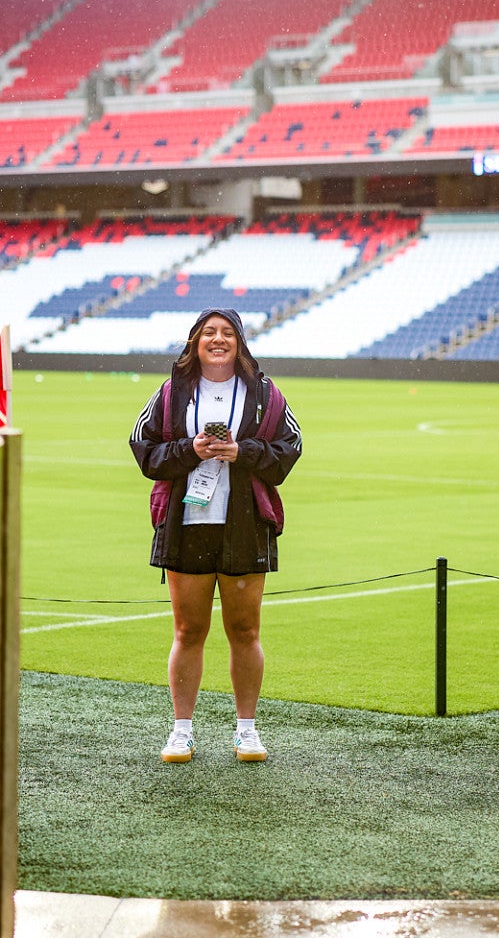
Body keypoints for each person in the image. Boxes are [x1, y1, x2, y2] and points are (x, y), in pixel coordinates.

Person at [130, 308, 302, 763]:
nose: (218, 340)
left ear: (240, 343)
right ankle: (181, 729)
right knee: (188, 630)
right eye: (209, 333)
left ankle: (247, 729)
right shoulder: (171, 394)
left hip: (245, 523)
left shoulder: (265, 394)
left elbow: (291, 448)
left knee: (244, 629)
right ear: (195, 342)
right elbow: (142, 447)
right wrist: (192, 450)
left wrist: (241, 451)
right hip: (187, 525)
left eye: (227, 333)